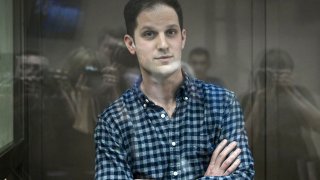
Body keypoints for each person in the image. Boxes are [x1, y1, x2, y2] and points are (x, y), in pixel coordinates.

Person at [95, 0, 254, 179]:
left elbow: (243, 175)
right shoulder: (113, 120)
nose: (163, 44)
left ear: (183, 38)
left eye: (171, 32)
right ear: (131, 43)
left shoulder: (222, 103)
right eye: (149, 34)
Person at [241, 49, 320, 180]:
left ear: (291, 74)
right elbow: (244, 140)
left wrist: (291, 92)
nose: (275, 78)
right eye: (271, 73)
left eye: (281, 73)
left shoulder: (299, 94)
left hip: (297, 162)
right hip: (261, 163)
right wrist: (259, 100)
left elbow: (317, 125)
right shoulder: (252, 98)